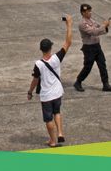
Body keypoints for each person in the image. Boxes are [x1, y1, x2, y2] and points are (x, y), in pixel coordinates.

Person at [27, 15, 73, 148]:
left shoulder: (38, 64)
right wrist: (69, 24)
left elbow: (35, 80)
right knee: (57, 112)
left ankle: (52, 141)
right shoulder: (56, 58)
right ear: (50, 48)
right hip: (57, 92)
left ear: (41, 49)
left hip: (46, 95)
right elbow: (68, 42)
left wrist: (30, 92)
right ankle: (60, 133)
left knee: (48, 118)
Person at [74, 4, 111, 92]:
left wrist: (105, 26)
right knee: (87, 67)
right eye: (88, 11)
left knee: (102, 65)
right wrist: (103, 26)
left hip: (97, 46)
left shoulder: (91, 21)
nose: (90, 13)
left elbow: (99, 30)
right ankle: (78, 81)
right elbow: (94, 32)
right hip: (89, 48)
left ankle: (106, 84)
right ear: (83, 13)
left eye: (90, 11)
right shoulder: (82, 24)